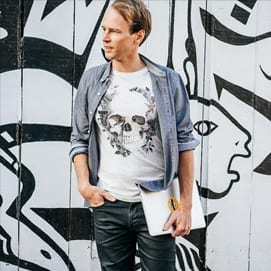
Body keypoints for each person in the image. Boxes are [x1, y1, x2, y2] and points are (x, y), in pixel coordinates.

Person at [70, 0, 199, 270]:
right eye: (104, 29)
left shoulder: (167, 81)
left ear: (137, 36)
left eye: (114, 31)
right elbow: (79, 138)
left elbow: (185, 142)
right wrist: (85, 186)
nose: (104, 38)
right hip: (108, 203)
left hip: (156, 202)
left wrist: (185, 205)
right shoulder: (92, 80)